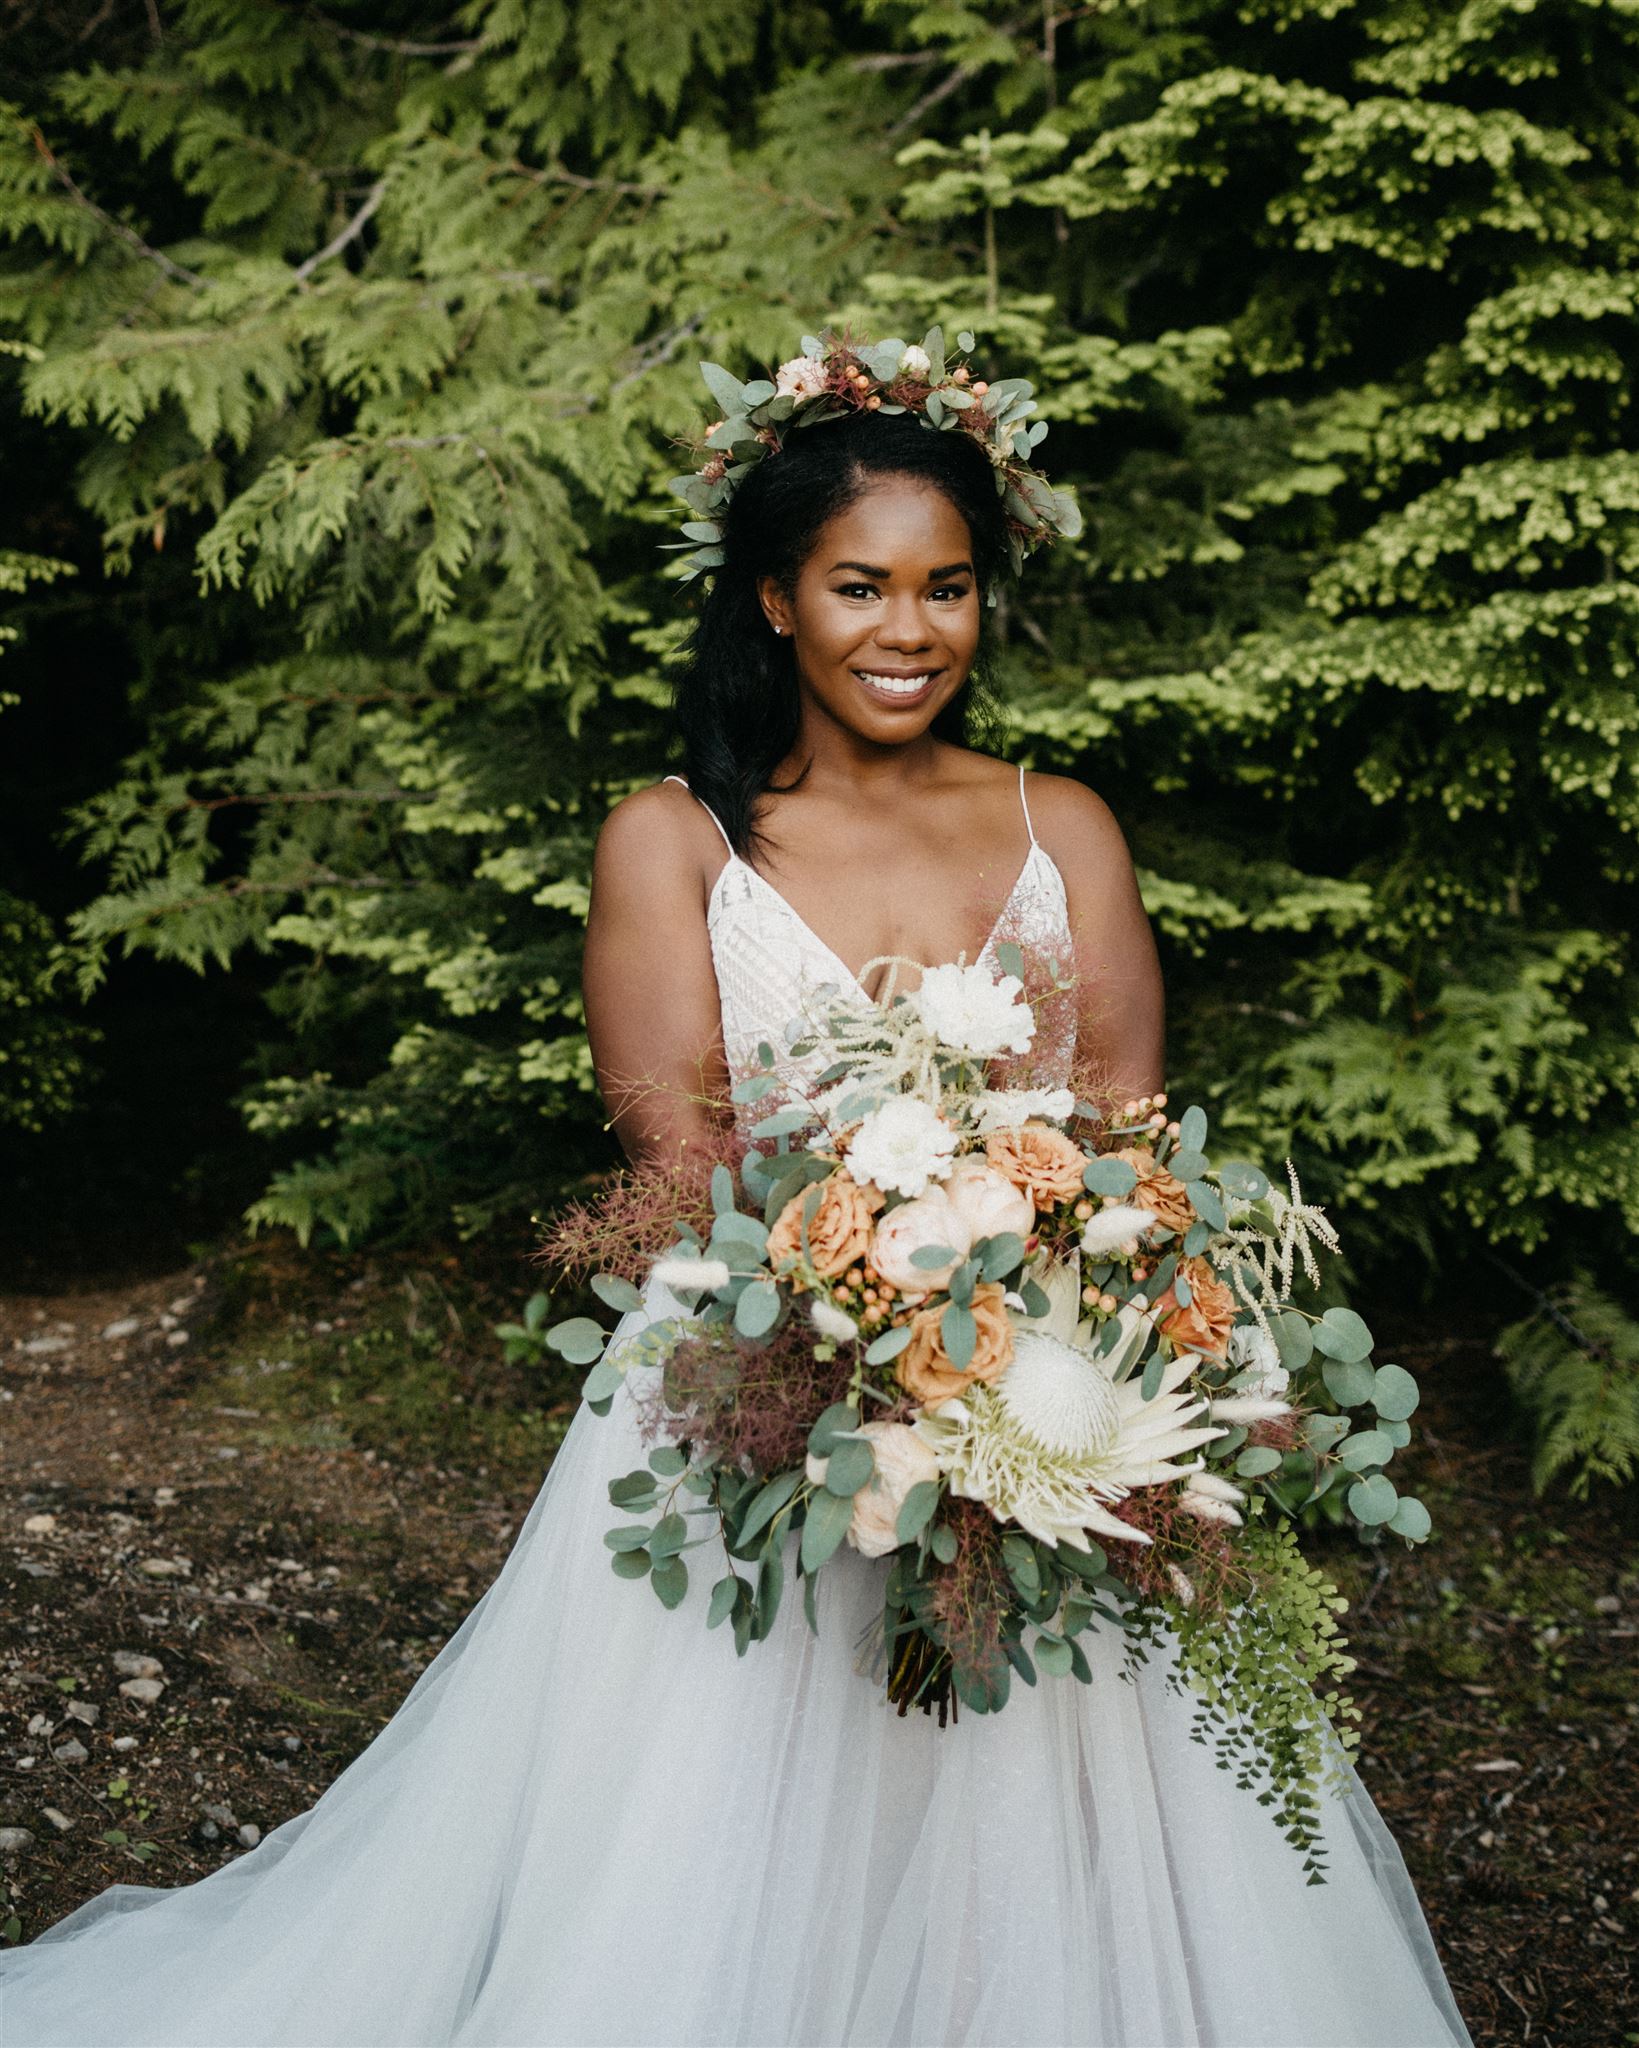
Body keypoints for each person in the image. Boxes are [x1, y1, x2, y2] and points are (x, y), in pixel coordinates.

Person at [0, 341, 1474, 2048]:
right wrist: (894, 1347)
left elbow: (1129, 1137)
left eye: (949, 588)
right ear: (777, 599)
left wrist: (1069, 1358)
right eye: (861, 587)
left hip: (1062, 1413)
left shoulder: (1063, 823)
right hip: (758, 1401)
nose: (909, 631)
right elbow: (682, 1172)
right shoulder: (678, 842)